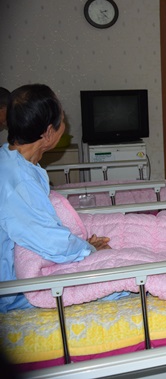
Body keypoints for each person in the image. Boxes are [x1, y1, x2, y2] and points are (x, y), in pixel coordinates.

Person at [0, 84, 111, 313]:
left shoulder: (12, 160)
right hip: (14, 290)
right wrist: (89, 250)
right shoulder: (19, 183)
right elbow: (51, 242)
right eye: (62, 118)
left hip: (25, 265)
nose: (65, 123)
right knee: (120, 281)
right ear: (48, 132)